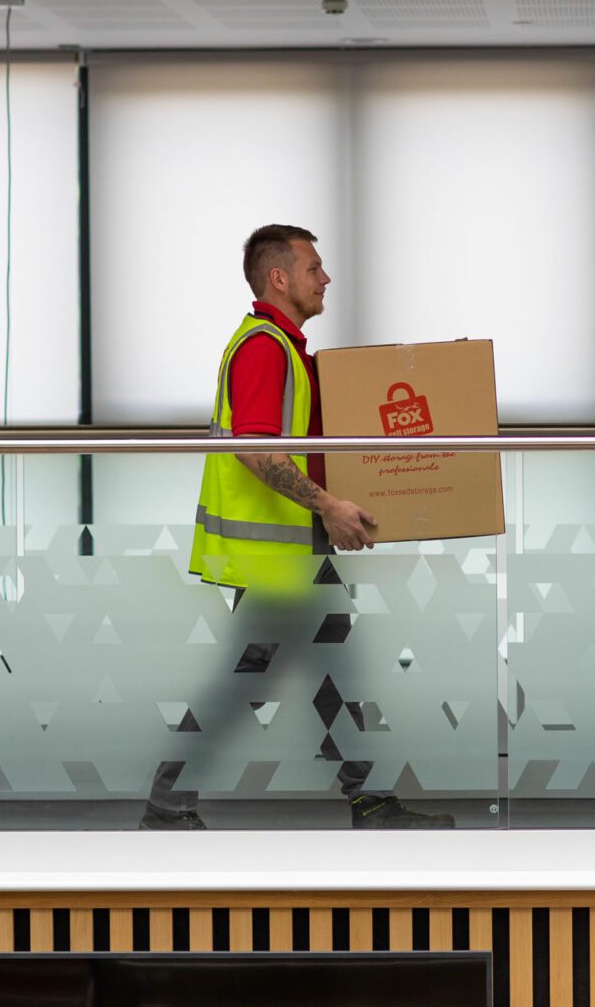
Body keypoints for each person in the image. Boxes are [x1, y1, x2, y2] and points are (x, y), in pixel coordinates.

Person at [140, 224, 453, 830]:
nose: (326, 278)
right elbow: (257, 453)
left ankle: (366, 800)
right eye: (314, 268)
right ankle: (168, 803)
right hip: (277, 558)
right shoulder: (263, 349)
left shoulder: (287, 350)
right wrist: (329, 507)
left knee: (332, 674)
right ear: (279, 278)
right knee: (254, 683)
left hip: (296, 552)